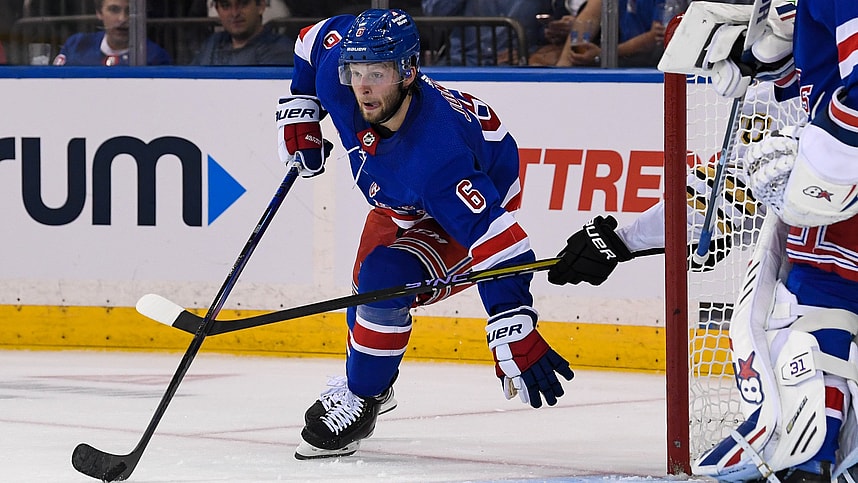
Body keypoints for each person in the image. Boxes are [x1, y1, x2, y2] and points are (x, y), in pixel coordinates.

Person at [551, 1, 858, 480]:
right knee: (813, 316)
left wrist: (821, 168)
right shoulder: (788, 57)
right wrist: (623, 240)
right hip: (834, 229)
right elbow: (734, 186)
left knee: (802, 323)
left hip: (839, 210)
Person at [277, 8, 574, 460]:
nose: (363, 86)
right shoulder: (340, 82)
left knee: (382, 280)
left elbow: (498, 237)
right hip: (401, 203)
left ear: (408, 70)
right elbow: (311, 39)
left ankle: (365, 395)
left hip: (458, 212)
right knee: (366, 291)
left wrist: (510, 319)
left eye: (377, 73)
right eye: (356, 71)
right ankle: (372, 377)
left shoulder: (438, 155)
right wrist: (300, 108)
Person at [553, 0, 675, 67]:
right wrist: (564, 65)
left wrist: (603, 54)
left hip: (653, 63)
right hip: (621, 57)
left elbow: (656, 37)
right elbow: (587, 18)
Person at [52, 0, 172, 66]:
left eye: (130, 11)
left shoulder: (155, 57)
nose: (122, 19)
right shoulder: (77, 45)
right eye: (114, 10)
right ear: (99, 12)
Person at [192, 0, 294, 66]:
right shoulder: (212, 43)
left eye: (243, 4)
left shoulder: (280, 50)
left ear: (261, 6)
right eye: (226, 5)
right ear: (217, 10)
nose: (235, 13)